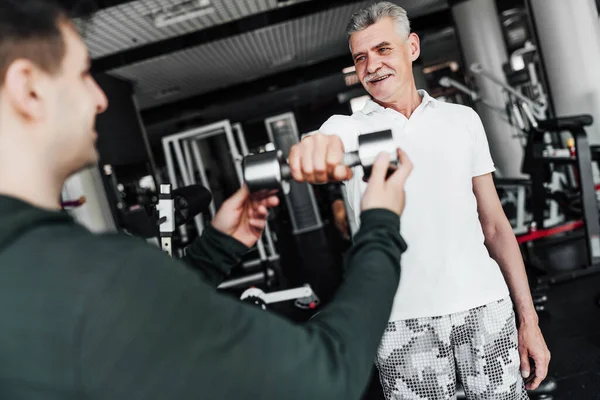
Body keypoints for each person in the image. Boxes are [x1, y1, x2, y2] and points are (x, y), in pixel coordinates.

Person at [0, 1, 415, 399]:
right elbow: (326, 377)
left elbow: (141, 323)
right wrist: (379, 225)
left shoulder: (44, 273)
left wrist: (215, 250)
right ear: (28, 89)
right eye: (82, 75)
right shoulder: (91, 275)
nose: (99, 99)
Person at [288, 2, 551, 399]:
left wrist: (528, 319)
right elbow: (320, 143)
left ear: (411, 47)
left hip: (485, 305)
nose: (371, 65)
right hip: (400, 322)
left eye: (383, 50)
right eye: (360, 57)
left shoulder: (462, 120)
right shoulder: (348, 129)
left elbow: (495, 226)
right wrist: (312, 149)